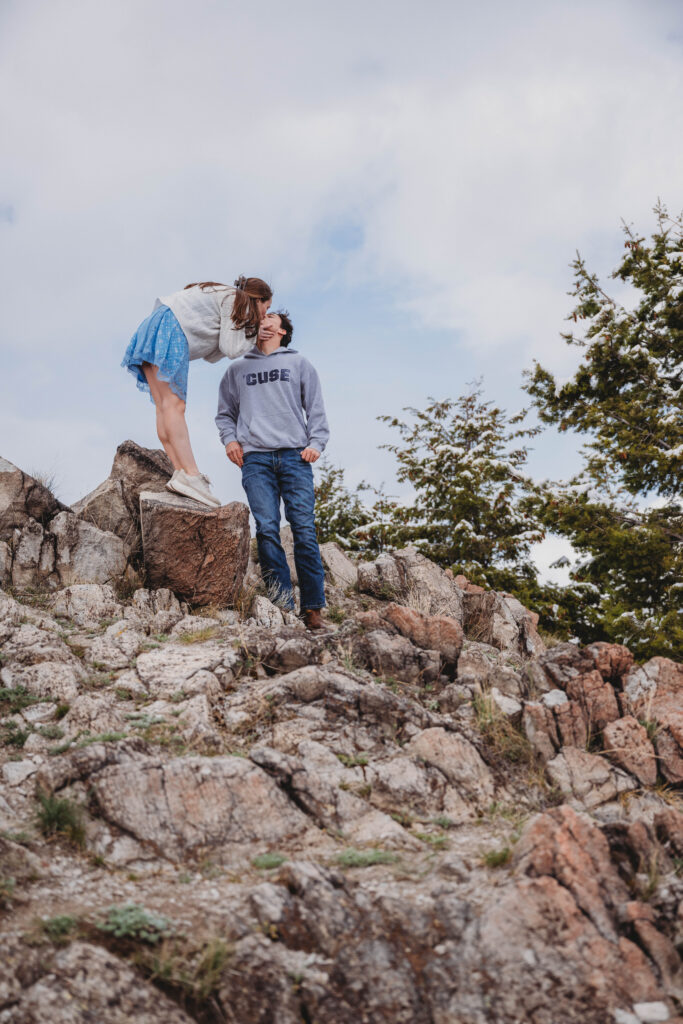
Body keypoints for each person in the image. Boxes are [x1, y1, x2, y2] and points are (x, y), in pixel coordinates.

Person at [215, 311, 330, 630]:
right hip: (255, 459)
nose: (264, 320)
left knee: (304, 529)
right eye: (261, 318)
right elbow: (224, 414)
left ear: (282, 331)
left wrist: (316, 443)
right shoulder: (237, 369)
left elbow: (316, 409)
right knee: (267, 529)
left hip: (295, 457)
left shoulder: (299, 363)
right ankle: (282, 606)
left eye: (271, 318)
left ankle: (313, 610)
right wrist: (230, 441)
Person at [122, 276, 272, 507]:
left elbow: (214, 354)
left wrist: (246, 333)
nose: (264, 315)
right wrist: (253, 335)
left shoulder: (223, 296)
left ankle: (181, 474)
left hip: (154, 326)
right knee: (175, 405)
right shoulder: (234, 298)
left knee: (164, 406)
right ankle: (192, 475)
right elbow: (231, 349)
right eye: (266, 308)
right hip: (171, 327)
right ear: (258, 299)